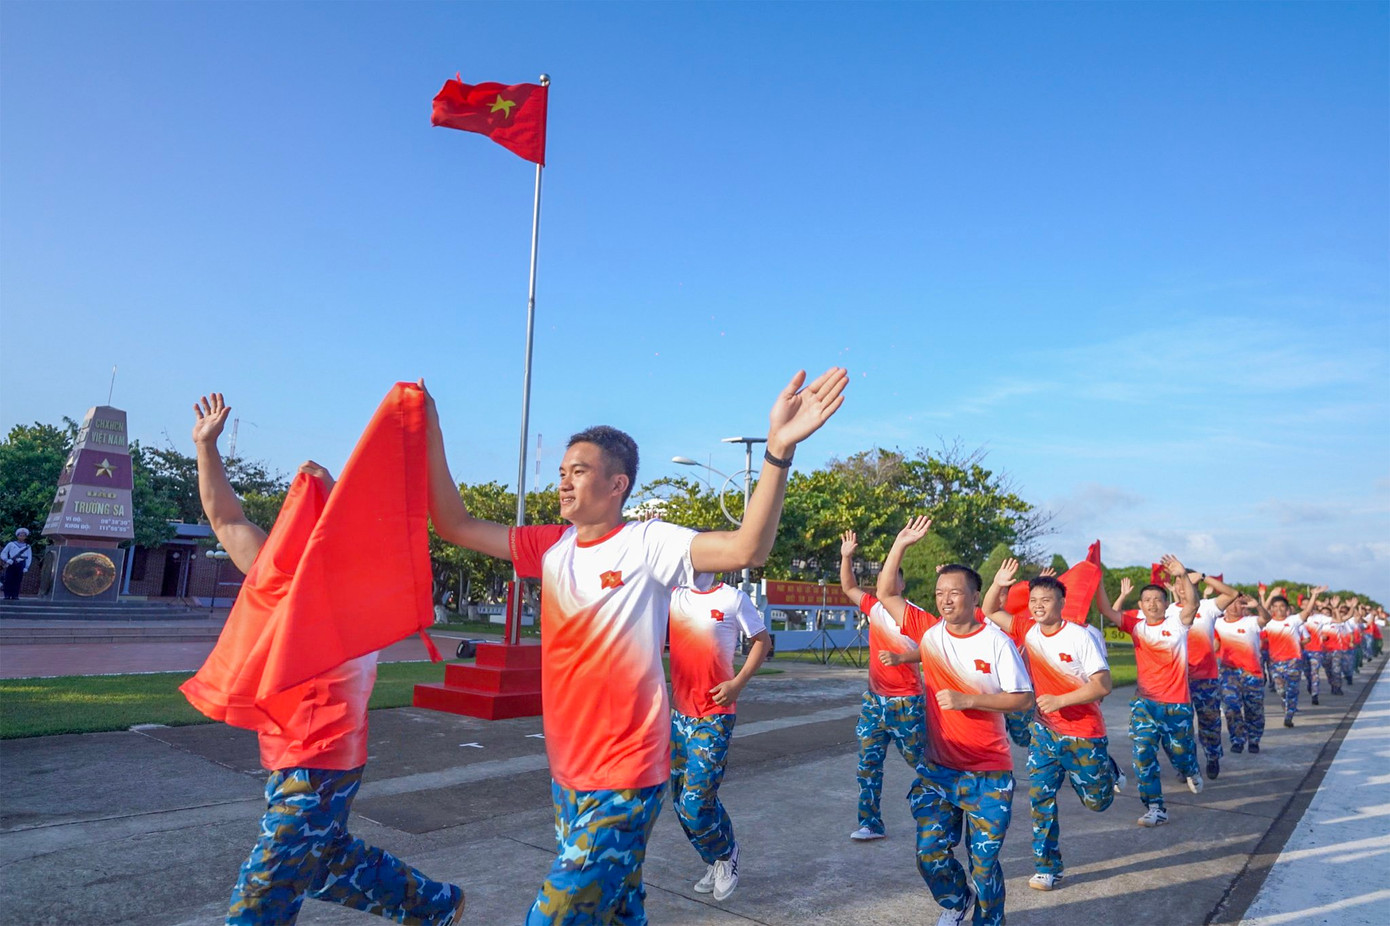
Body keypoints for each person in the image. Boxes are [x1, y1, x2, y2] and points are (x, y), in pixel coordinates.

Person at [424, 367, 846, 925]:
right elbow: (453, 524)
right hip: (568, 772)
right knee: (619, 908)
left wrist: (777, 450)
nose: (564, 482)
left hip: (626, 772)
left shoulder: (647, 543)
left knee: (553, 916)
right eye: (562, 472)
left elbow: (748, 546)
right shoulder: (549, 547)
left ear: (617, 484)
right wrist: (426, 428)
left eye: (580, 471)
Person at [189, 393, 464, 926]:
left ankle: (431, 905)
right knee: (323, 860)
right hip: (285, 753)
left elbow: (388, 511)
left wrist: (416, 426)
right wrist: (206, 447)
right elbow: (226, 518)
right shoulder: (277, 582)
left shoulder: (366, 589)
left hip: (327, 756)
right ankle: (434, 904)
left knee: (267, 883)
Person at [874, 517, 1033, 926]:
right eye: (940, 593)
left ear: (974, 596)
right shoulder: (928, 633)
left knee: (984, 865)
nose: (945, 600)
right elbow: (886, 592)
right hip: (938, 770)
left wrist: (971, 699)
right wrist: (900, 543)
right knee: (930, 855)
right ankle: (956, 901)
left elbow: (1023, 698)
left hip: (987, 773)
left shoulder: (995, 642)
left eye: (955, 593)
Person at [981, 560, 1123, 893]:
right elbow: (990, 610)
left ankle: (1108, 770)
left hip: (1084, 733)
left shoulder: (1079, 637)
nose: (1038, 605)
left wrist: (1060, 700)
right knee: (1039, 797)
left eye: (1046, 600)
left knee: (1097, 802)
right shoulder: (1027, 629)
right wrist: (999, 583)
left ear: (1062, 603)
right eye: (1034, 600)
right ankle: (1047, 867)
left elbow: (1102, 686)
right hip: (1045, 733)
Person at [666, 578, 771, 900]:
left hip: (715, 714)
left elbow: (762, 641)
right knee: (682, 802)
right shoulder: (674, 596)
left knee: (696, 803)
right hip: (679, 715)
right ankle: (714, 858)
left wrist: (738, 683)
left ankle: (726, 856)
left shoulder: (733, 599)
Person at [1096, 558, 1202, 827]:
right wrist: (1096, 577)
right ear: (1141, 606)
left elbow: (1193, 604)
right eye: (1147, 600)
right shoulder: (1136, 626)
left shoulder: (1178, 624)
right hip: (1144, 704)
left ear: (1166, 604)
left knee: (1181, 753)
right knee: (1142, 753)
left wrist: (1182, 575)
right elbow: (1107, 610)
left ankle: (1190, 768)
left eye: (1158, 599)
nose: (1153, 603)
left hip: (1177, 704)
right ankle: (1155, 807)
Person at [838, 529, 928, 842]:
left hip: (907, 703)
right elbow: (848, 586)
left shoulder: (914, 616)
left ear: (900, 584)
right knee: (868, 765)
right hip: (874, 702)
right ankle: (870, 823)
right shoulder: (874, 608)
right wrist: (846, 556)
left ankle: (939, 813)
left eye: (891, 579)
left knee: (924, 763)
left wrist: (903, 657)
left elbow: (935, 651)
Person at [1178, 571, 1237, 780]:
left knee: (1209, 722)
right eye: (1178, 583)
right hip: (1178, 681)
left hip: (1205, 678)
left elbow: (1232, 594)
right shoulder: (1166, 611)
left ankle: (1212, 756)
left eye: (1185, 582)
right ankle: (1187, 765)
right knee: (1181, 726)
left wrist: (1203, 577)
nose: (1182, 587)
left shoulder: (1207, 607)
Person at [1215, 591, 1272, 754]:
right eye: (1230, 603)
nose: (1233, 607)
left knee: (1254, 709)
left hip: (1252, 673)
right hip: (1228, 672)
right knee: (1231, 706)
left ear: (1243, 606)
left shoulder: (1251, 622)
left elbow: (1266, 619)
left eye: (1238, 603)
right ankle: (1237, 739)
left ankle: (1254, 739)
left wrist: (1259, 606)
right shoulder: (1217, 623)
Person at [1264, 586, 1321, 728]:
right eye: (1275, 606)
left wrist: (1314, 595)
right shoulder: (1267, 623)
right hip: (1275, 662)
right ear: (1271, 609)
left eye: (1282, 606)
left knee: (1292, 690)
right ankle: (1286, 702)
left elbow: (1307, 611)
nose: (1279, 609)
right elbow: (1262, 611)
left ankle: (1289, 716)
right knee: (1281, 690)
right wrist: (1270, 596)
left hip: (1293, 661)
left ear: (1287, 608)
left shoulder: (1294, 620)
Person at [1, 528, 33, 599]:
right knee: (9, 579)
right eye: (20, 535)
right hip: (12, 563)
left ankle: (15, 595)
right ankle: (7, 595)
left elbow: (29, 557)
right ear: (17, 536)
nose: (22, 537)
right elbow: (4, 553)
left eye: (23, 535)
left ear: (26, 537)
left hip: (21, 563)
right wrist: (7, 560)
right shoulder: (11, 544)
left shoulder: (27, 546)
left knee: (17, 580)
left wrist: (26, 567)